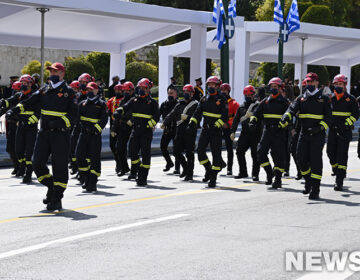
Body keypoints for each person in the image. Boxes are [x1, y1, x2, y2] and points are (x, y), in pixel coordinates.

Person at [7, 62, 75, 210]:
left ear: (63, 74)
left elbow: (73, 115)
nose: (53, 74)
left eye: (56, 72)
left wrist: (59, 123)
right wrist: (14, 111)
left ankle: (57, 198)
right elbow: (29, 102)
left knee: (59, 167)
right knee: (37, 163)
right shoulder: (44, 89)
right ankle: (51, 187)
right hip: (43, 134)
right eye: (51, 72)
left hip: (60, 135)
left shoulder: (69, 92)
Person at [281, 72, 332, 200]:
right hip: (303, 134)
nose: (309, 84)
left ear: (316, 83)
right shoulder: (301, 98)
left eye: (311, 82)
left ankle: (315, 189)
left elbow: (329, 117)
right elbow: (291, 109)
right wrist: (286, 117)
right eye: (307, 82)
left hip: (317, 135)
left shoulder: (324, 99)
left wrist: (320, 127)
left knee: (315, 161)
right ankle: (308, 181)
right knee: (301, 159)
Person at [188, 76, 228, 188]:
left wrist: (217, 125)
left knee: (216, 155)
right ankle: (209, 170)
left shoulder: (222, 99)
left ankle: (213, 178)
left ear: (217, 86)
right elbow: (197, 113)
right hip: (205, 130)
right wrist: (192, 122)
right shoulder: (204, 99)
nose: (210, 86)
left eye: (212, 85)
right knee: (200, 152)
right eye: (209, 84)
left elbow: (225, 117)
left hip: (216, 131)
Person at [250, 77, 289, 189]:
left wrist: (282, 125)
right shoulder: (265, 101)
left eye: (275, 87)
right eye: (271, 87)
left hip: (279, 132)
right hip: (267, 131)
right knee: (260, 153)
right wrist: (253, 121)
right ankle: (269, 172)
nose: (273, 89)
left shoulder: (284, 102)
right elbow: (256, 113)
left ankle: (277, 179)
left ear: (280, 88)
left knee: (278, 157)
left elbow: (289, 117)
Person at [0, 75, 40, 183]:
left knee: (29, 151)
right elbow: (10, 101)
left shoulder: (34, 96)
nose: (23, 85)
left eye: (25, 83)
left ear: (30, 84)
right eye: (22, 83)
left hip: (31, 127)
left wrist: (29, 121)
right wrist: (3, 103)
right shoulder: (19, 95)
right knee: (18, 150)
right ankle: (22, 166)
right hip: (21, 126)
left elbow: (37, 114)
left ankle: (28, 172)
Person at [122, 78, 160, 186]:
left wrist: (148, 125)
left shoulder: (152, 102)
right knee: (132, 152)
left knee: (145, 154)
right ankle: (138, 170)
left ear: (148, 89)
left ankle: (143, 177)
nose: (142, 90)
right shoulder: (134, 100)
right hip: (135, 130)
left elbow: (156, 117)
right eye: (140, 88)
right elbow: (125, 108)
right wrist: (118, 112)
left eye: (144, 88)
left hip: (146, 132)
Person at [327, 74, 359, 191]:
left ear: (345, 85)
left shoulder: (351, 99)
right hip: (332, 131)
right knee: (330, 153)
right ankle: (336, 169)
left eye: (340, 84)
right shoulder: (330, 99)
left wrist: (346, 123)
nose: (338, 86)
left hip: (344, 132)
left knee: (342, 156)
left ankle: (339, 181)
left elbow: (355, 115)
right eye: (336, 84)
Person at [76, 82, 108, 193]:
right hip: (83, 134)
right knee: (79, 156)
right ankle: (86, 177)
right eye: (88, 90)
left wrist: (95, 129)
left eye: (91, 90)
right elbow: (77, 117)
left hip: (94, 135)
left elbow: (104, 120)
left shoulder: (102, 104)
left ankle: (92, 182)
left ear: (96, 91)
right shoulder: (82, 103)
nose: (89, 92)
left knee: (94, 159)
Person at [163, 84, 198, 181]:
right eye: (185, 92)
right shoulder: (180, 104)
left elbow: (197, 117)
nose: (186, 93)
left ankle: (189, 173)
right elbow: (172, 114)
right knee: (176, 151)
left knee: (189, 153)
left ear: (192, 93)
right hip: (180, 130)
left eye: (188, 92)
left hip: (190, 130)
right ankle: (186, 168)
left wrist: (188, 118)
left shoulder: (195, 104)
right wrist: (165, 122)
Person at [231, 85, 261, 181]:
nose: (247, 96)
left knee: (255, 154)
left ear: (253, 95)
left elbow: (262, 118)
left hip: (255, 133)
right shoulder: (241, 107)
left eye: (249, 95)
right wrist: (233, 131)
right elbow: (236, 120)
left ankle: (255, 174)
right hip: (244, 133)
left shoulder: (257, 105)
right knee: (239, 151)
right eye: (246, 95)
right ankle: (243, 172)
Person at [70, 74, 93, 178]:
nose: (83, 84)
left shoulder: (92, 96)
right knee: (72, 148)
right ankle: (75, 167)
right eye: (81, 82)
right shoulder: (77, 96)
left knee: (86, 152)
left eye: (85, 82)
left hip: (87, 128)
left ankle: (84, 171)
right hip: (76, 126)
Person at [112, 81, 135, 177]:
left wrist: (132, 120)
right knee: (119, 148)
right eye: (124, 90)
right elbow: (117, 115)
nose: (125, 92)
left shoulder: (136, 100)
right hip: (122, 127)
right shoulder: (122, 101)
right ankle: (124, 168)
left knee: (133, 150)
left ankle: (135, 170)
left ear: (132, 90)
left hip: (133, 128)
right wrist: (113, 128)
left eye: (127, 90)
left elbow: (140, 113)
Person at [0, 81, 21, 175]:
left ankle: (22, 167)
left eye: (17, 89)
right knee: (10, 149)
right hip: (11, 126)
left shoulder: (25, 100)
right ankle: (16, 166)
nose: (15, 91)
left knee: (20, 149)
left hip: (20, 126)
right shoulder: (12, 100)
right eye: (14, 89)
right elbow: (3, 109)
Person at [160, 85, 179, 173]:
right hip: (167, 129)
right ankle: (169, 162)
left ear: (176, 94)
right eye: (168, 93)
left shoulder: (179, 104)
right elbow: (157, 114)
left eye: (171, 93)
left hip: (176, 129)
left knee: (176, 149)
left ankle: (177, 168)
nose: (170, 95)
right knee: (163, 147)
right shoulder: (164, 104)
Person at [220, 83, 239, 175]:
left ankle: (229, 168)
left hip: (228, 128)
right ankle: (221, 162)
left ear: (228, 91)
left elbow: (236, 117)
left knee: (229, 149)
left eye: (225, 90)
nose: (223, 92)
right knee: (215, 146)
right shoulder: (218, 102)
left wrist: (228, 124)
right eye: (222, 90)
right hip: (219, 126)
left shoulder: (234, 103)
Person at [106, 84, 123, 174]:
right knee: (112, 145)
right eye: (116, 90)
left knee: (120, 146)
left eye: (119, 90)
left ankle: (121, 164)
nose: (117, 92)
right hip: (113, 124)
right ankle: (117, 162)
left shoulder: (124, 100)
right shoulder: (111, 100)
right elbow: (108, 111)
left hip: (122, 125)